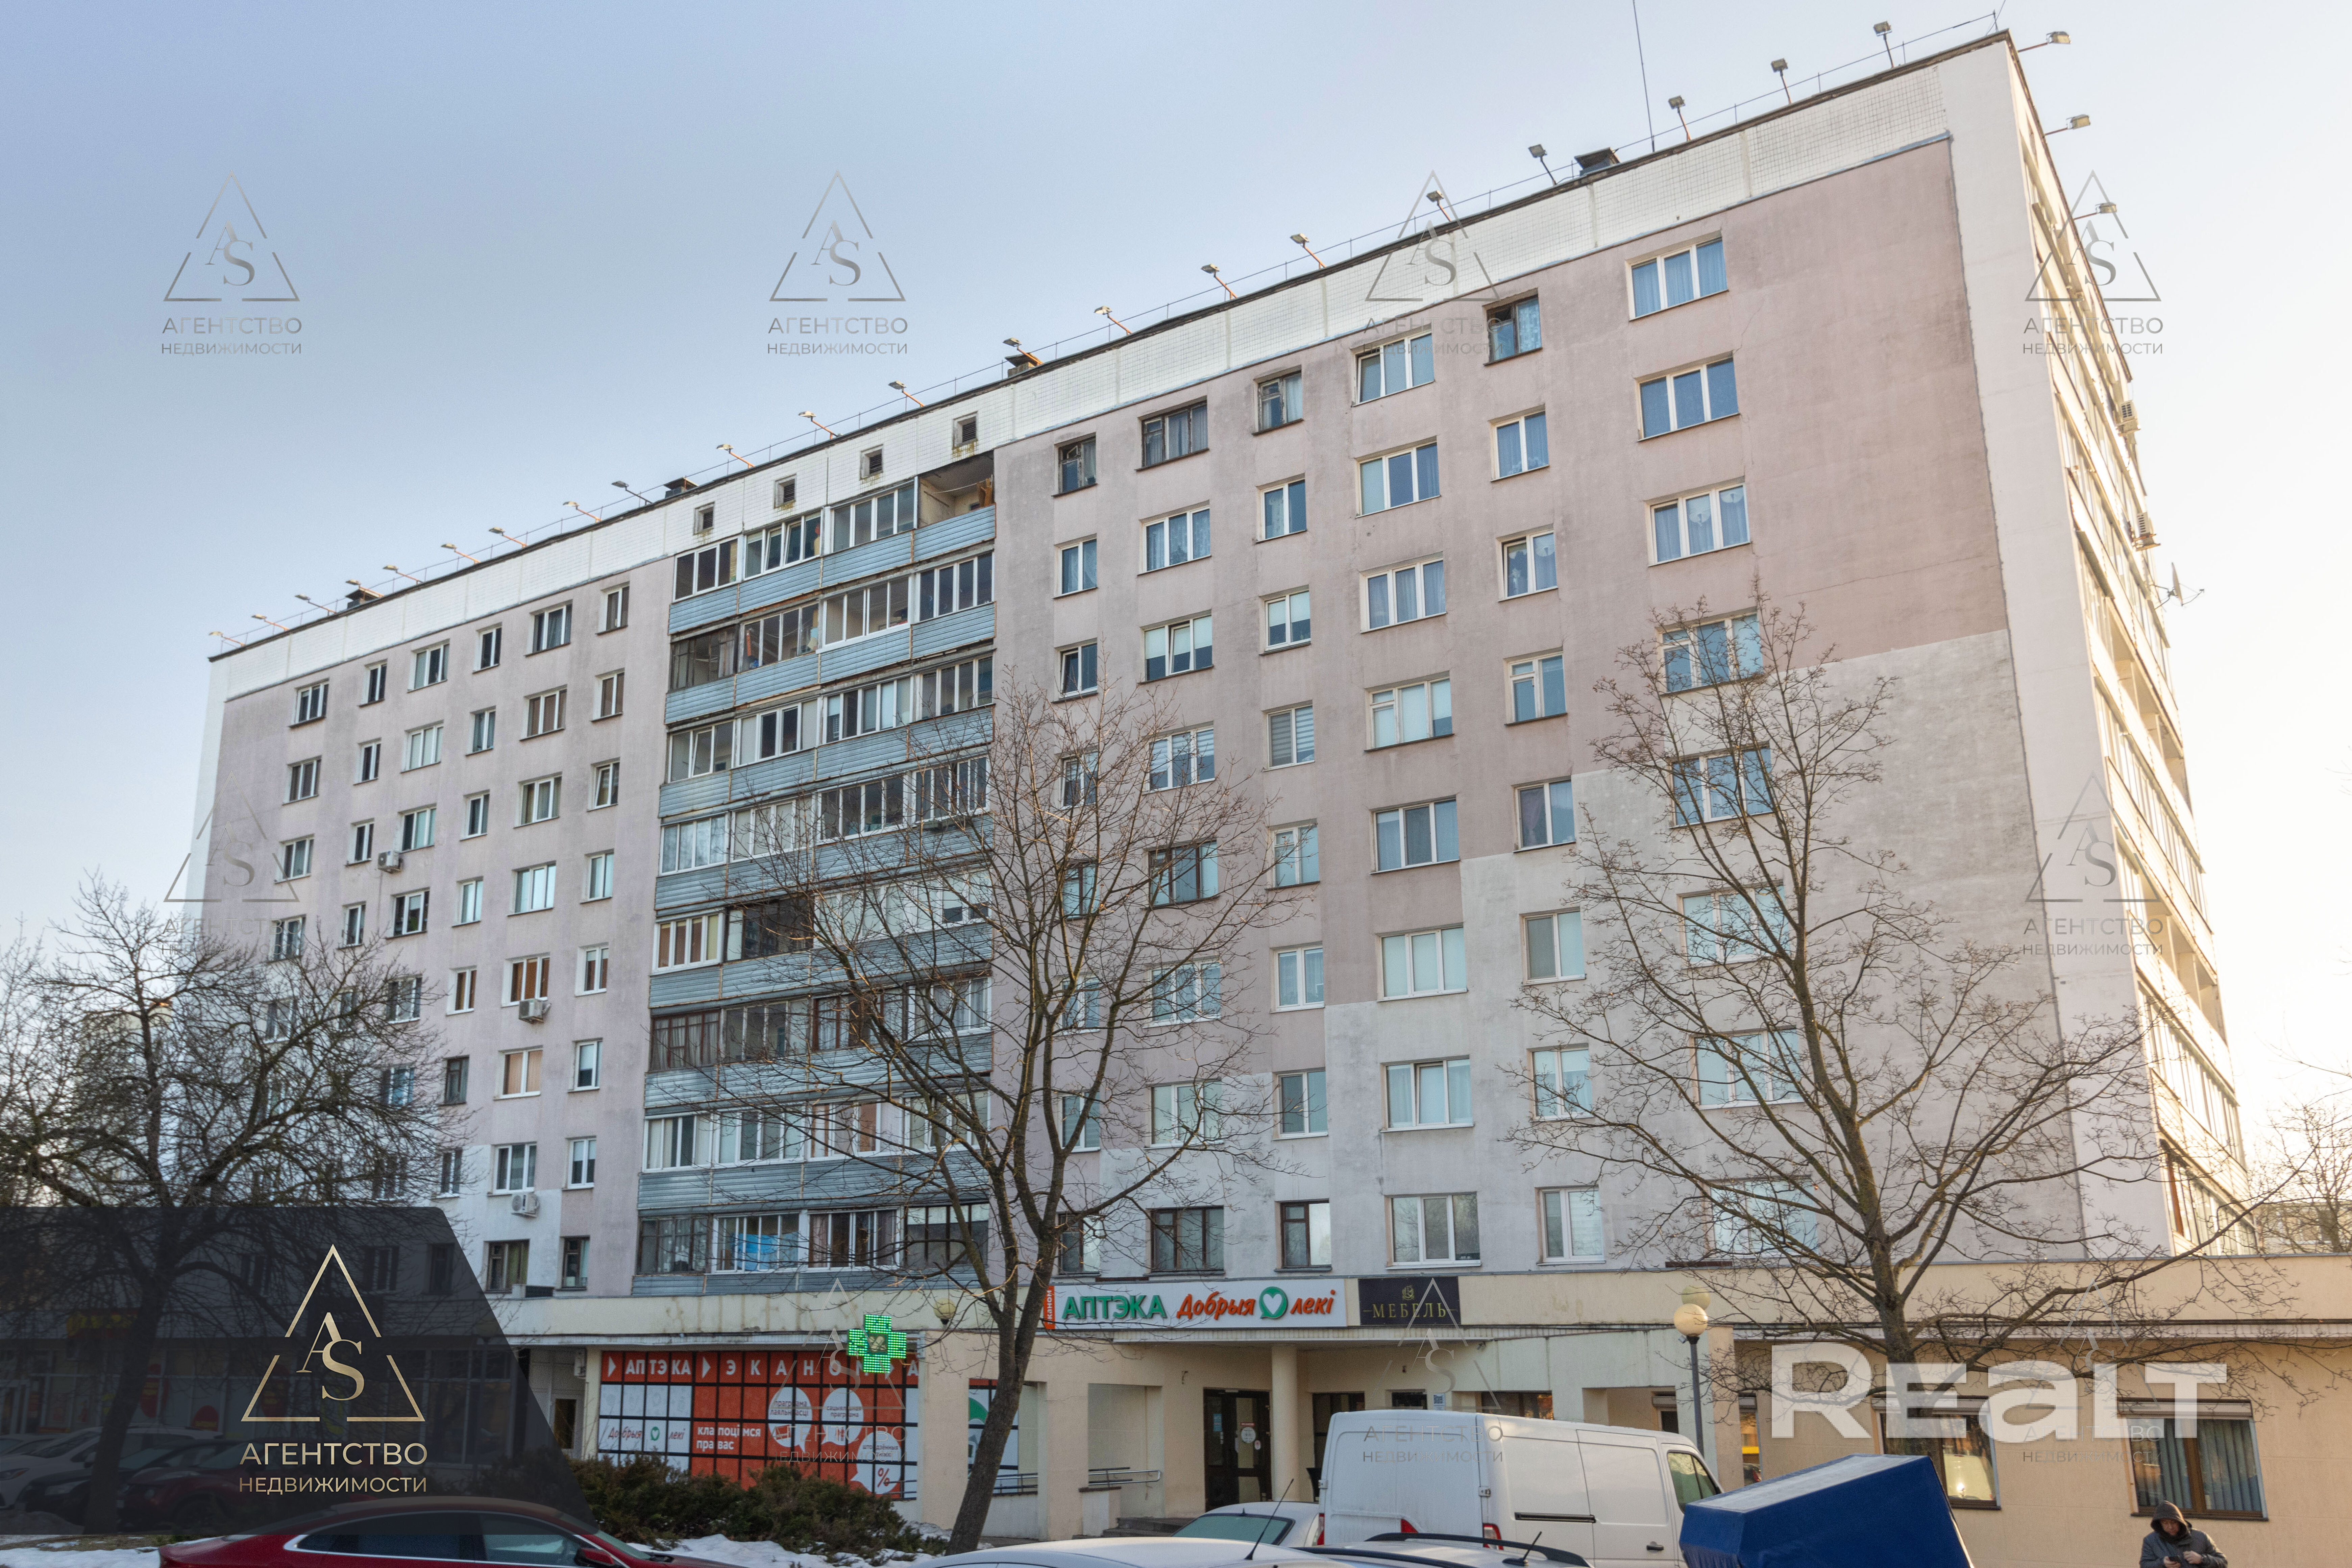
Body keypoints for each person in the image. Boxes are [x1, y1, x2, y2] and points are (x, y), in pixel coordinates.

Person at [2140, 1501, 2228, 1568]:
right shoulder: (2151, 1541)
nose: (2170, 1527)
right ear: (2159, 1524)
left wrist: (2202, 1559)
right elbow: (2144, 1565)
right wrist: (2162, 1563)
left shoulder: (2201, 1537)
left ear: (2180, 1522)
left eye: (2173, 1522)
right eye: (2165, 1523)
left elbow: (2223, 1562)